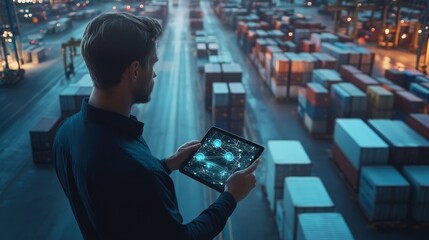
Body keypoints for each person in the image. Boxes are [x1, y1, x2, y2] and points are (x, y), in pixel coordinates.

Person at [53, 12, 259, 240]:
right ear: (133, 70)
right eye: (152, 63)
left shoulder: (65, 133)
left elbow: (114, 200)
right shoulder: (138, 173)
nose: (154, 73)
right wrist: (230, 195)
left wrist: (165, 165)